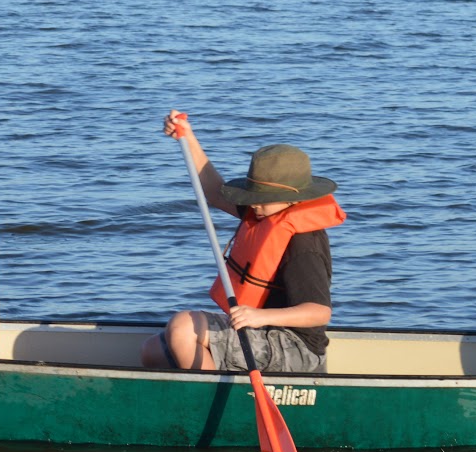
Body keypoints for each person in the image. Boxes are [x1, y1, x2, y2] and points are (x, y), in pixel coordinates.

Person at [141, 111, 345, 374]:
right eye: (253, 196)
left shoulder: (304, 243)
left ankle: (210, 405)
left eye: (264, 197)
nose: (255, 204)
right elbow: (214, 192)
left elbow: (319, 312)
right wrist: (187, 136)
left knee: (183, 326)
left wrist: (259, 316)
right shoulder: (263, 212)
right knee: (152, 352)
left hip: (296, 348)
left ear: (294, 199)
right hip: (261, 331)